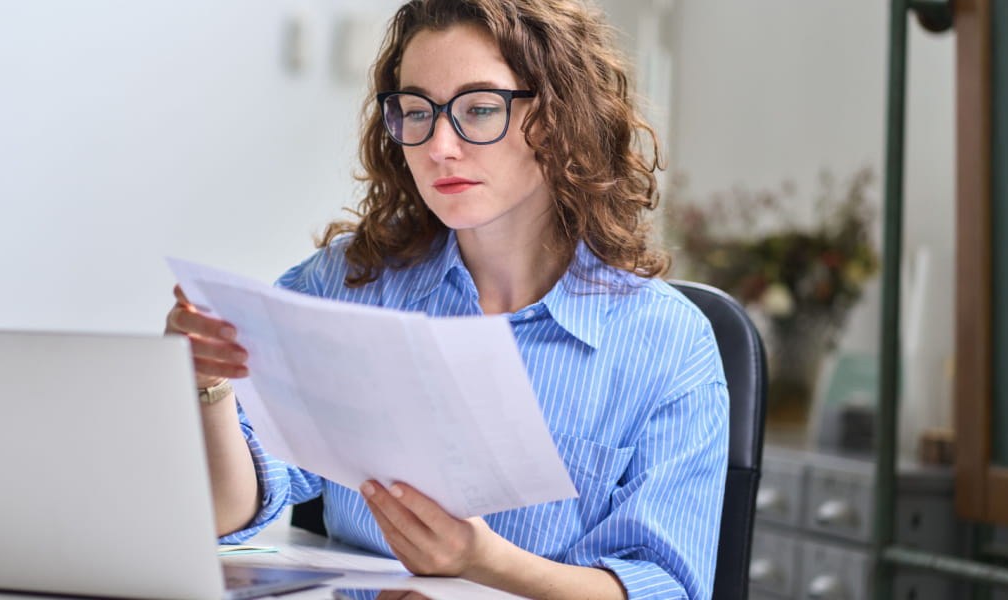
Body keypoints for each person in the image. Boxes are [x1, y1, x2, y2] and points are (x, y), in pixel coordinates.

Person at [164, 1, 728, 598]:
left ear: (560, 119)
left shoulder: (671, 345)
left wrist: (483, 561)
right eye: (414, 111)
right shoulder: (350, 282)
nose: (438, 146)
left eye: (479, 109)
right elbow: (227, 511)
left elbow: (664, 587)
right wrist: (208, 387)